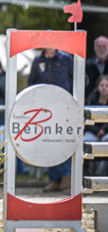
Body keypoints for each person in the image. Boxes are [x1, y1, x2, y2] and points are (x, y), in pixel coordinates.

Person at [28, 46, 75, 192]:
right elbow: (31, 82)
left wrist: (73, 99)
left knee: (61, 140)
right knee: (48, 142)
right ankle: (54, 179)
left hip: (64, 105)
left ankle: (66, 174)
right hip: (44, 107)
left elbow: (79, 79)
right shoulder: (38, 60)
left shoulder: (66, 58)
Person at [84, 74, 108, 176]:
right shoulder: (91, 100)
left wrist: (103, 130)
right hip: (93, 131)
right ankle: (89, 171)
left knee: (106, 141)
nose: (104, 88)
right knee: (86, 141)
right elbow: (87, 120)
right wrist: (97, 131)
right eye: (102, 85)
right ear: (98, 87)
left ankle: (100, 173)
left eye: (106, 85)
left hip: (106, 132)